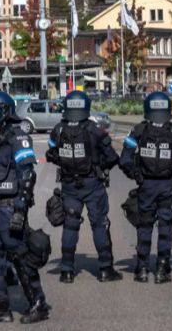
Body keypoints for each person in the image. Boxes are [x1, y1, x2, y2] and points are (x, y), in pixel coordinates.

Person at [0, 91, 49, 324]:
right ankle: (0, 308)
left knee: (20, 256)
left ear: (5, 111)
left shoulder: (18, 137)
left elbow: (27, 176)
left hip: (8, 208)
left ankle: (38, 304)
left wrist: (20, 209)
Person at [46, 90, 121, 283]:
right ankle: (105, 269)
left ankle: (67, 270)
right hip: (93, 184)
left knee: (70, 226)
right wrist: (99, 166)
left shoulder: (59, 129)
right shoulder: (93, 129)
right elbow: (112, 157)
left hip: (69, 185)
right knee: (99, 225)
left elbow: (50, 153)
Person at [119, 92, 172, 283]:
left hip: (146, 185)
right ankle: (163, 268)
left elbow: (124, 160)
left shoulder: (138, 131)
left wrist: (137, 176)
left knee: (144, 226)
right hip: (167, 185)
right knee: (165, 227)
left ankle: (142, 268)